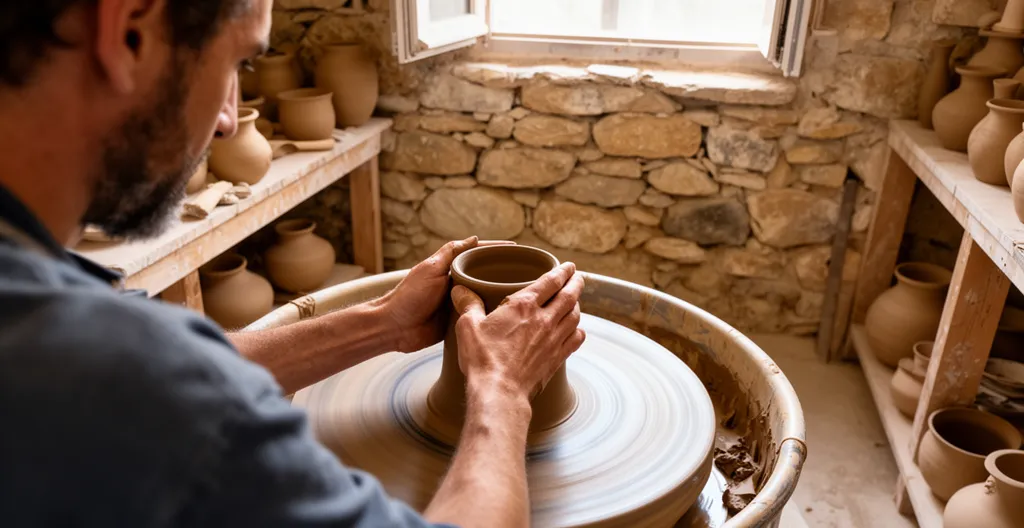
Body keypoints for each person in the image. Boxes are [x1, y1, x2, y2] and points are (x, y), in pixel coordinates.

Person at [0, 1, 586, 527]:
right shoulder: (125, 378)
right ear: (130, 30)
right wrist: (504, 391)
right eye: (236, 64)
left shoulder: (53, 314)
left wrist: (384, 321)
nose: (229, 118)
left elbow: (167, 375)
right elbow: (156, 383)